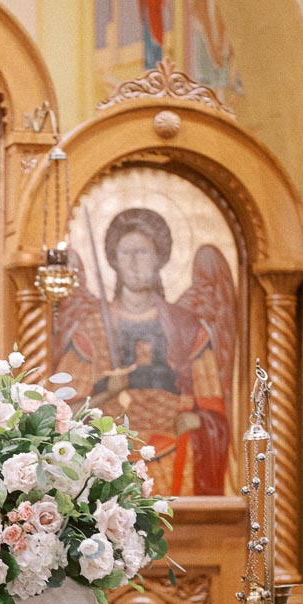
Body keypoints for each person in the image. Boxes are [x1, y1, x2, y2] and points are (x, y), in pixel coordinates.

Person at [53, 207, 229, 495]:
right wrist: (107, 391)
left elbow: (214, 408)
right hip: (105, 470)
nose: (135, 263)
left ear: (160, 257)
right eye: (126, 253)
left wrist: (198, 420)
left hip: (173, 464)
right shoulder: (92, 330)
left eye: (143, 252)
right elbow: (59, 412)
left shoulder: (186, 328)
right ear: (113, 261)